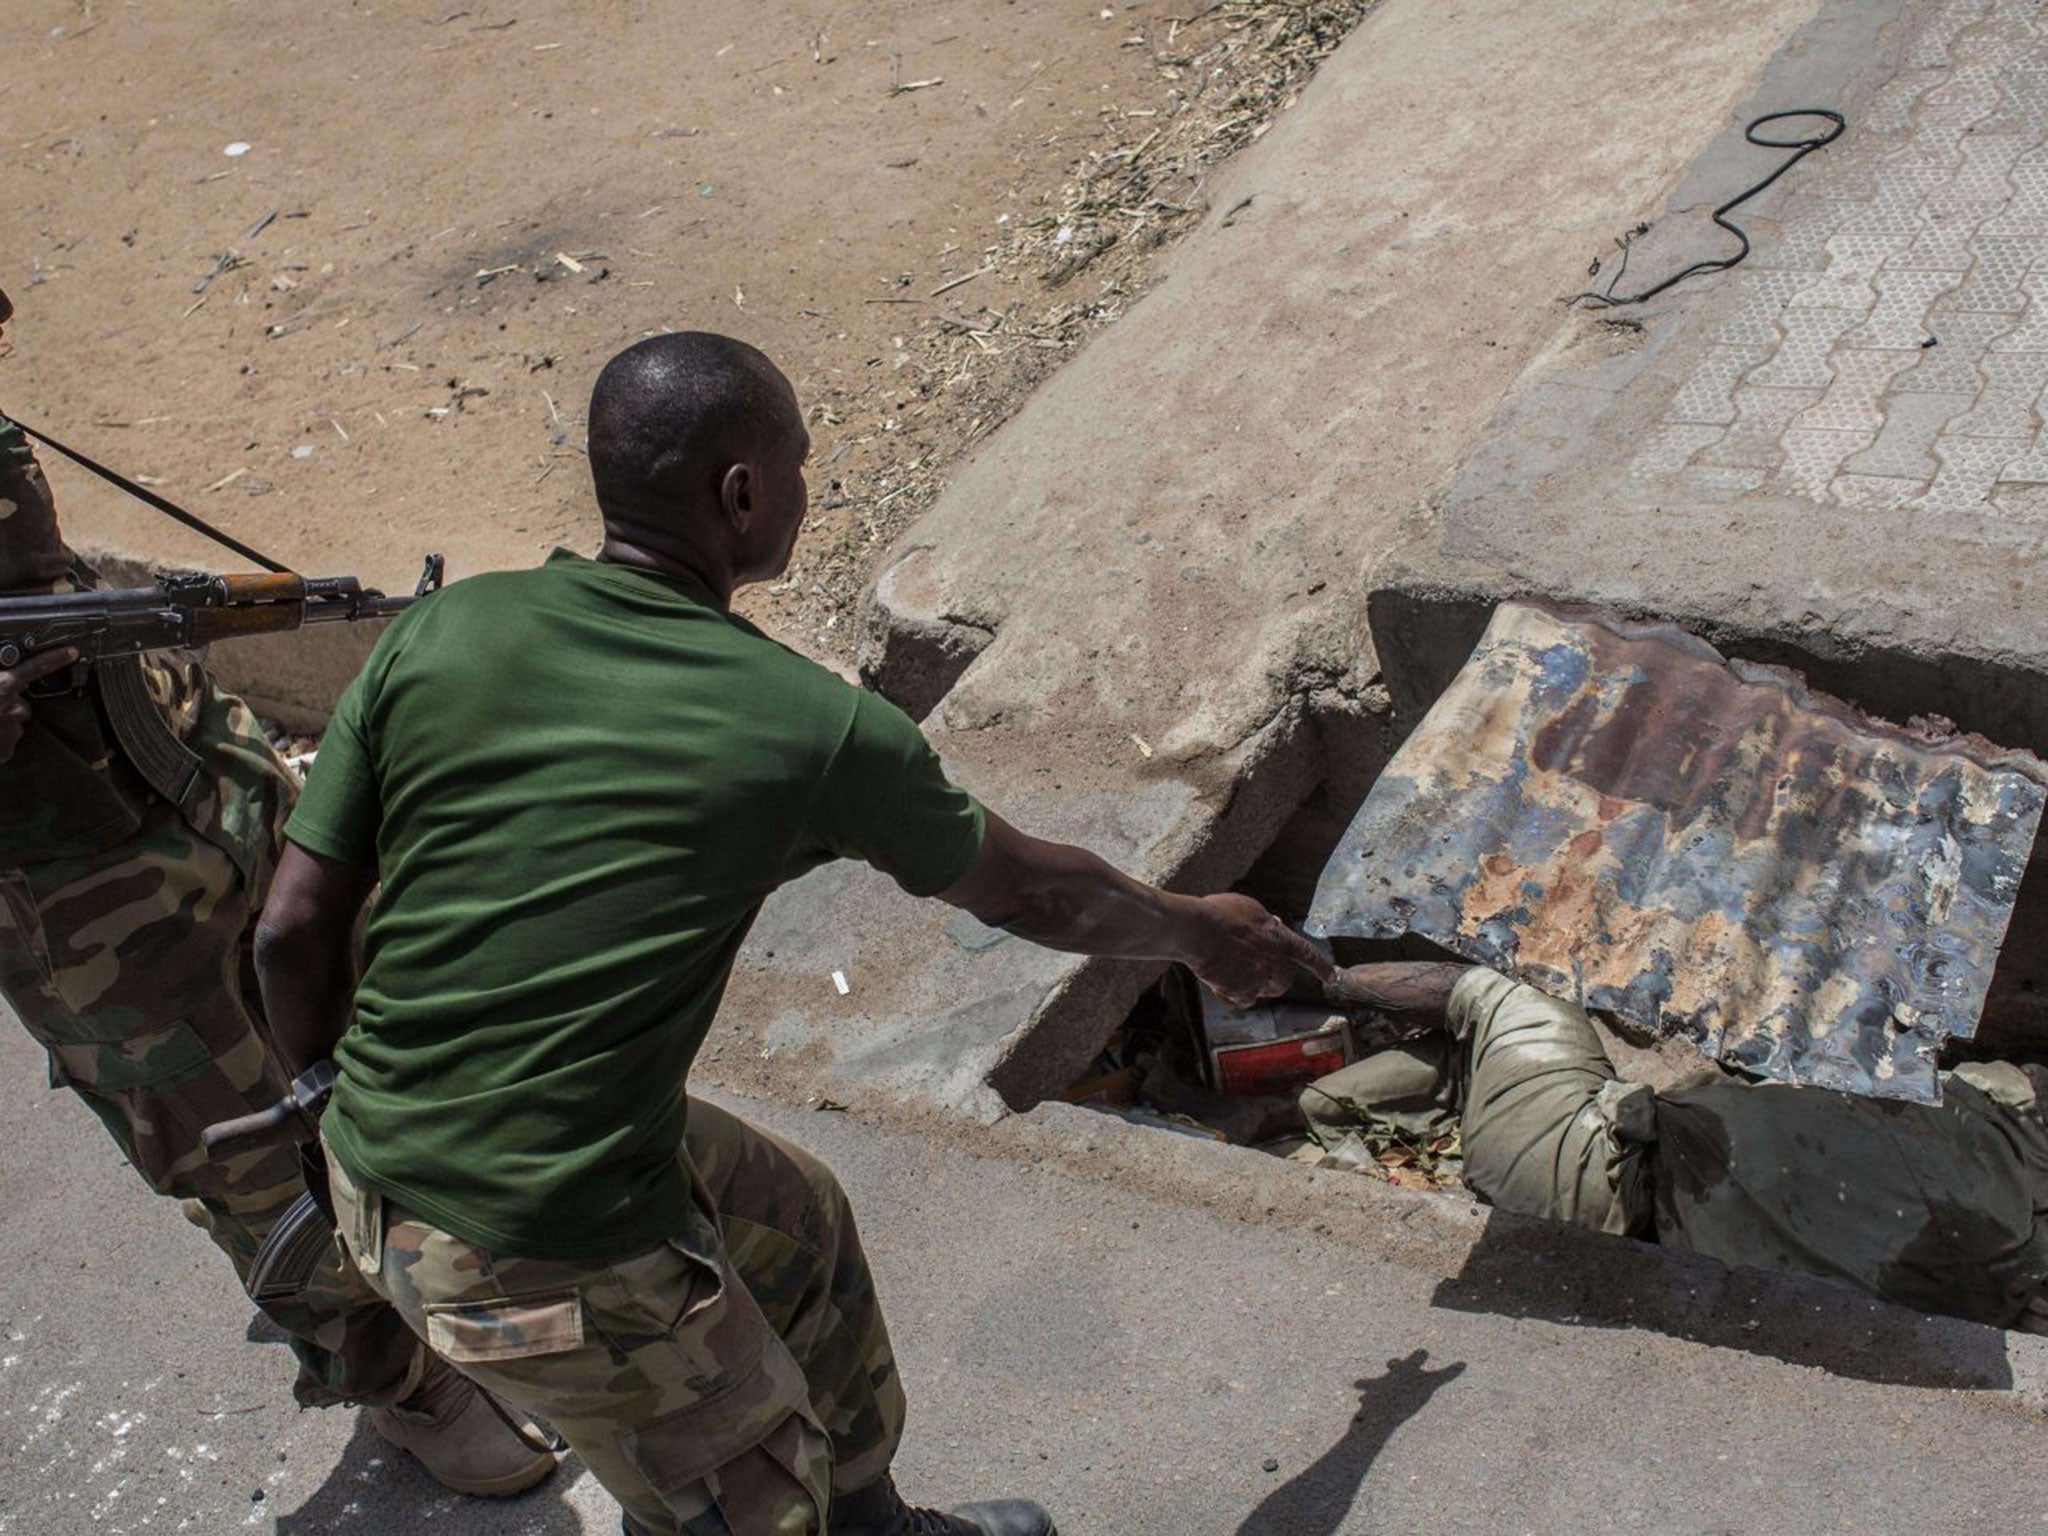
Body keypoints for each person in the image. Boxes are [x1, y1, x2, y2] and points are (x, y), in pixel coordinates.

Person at [251, 330, 1332, 1536]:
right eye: (800, 467)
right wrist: (1199, 933)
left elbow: (289, 933)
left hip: (370, 1160)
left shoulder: (441, 632)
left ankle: (878, 1522)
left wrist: (320, 1095)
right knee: (748, 1502)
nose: (806, 492)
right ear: (742, 493)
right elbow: (1028, 891)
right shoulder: (805, 727)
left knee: (795, 1223)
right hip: (536, 1246)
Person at [0, 369, 555, 1492]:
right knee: (261, 1162)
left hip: (204, 774)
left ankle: (467, 1264)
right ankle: (402, 1380)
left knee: (379, 1027)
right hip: (88, 918)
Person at [1303, 961, 2048, 1333]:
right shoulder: (2015, 1241)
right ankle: (1435, 1068)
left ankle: (1305, 973)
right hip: (1646, 1183)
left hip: (1597, 1175)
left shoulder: (1996, 1110)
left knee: (1505, 988)